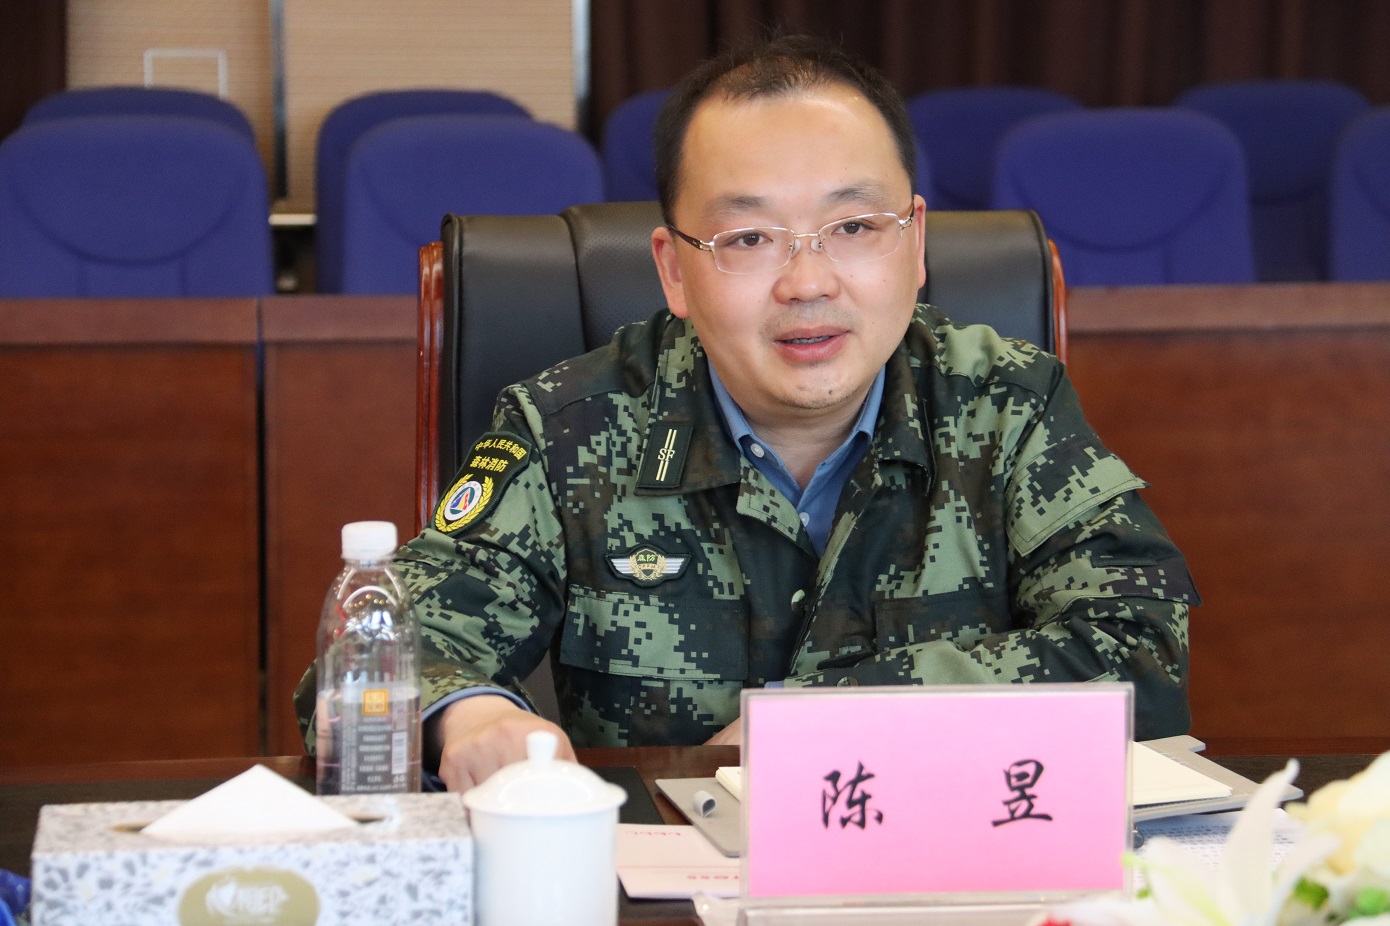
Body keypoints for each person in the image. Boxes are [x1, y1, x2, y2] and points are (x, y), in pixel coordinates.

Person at [297, 35, 1198, 792]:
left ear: (916, 242)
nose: (807, 283)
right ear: (673, 270)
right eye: (749, 238)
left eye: (854, 227)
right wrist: (467, 716)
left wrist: (827, 720)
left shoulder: (1008, 405)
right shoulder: (567, 428)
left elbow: (1144, 646)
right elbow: (373, 657)